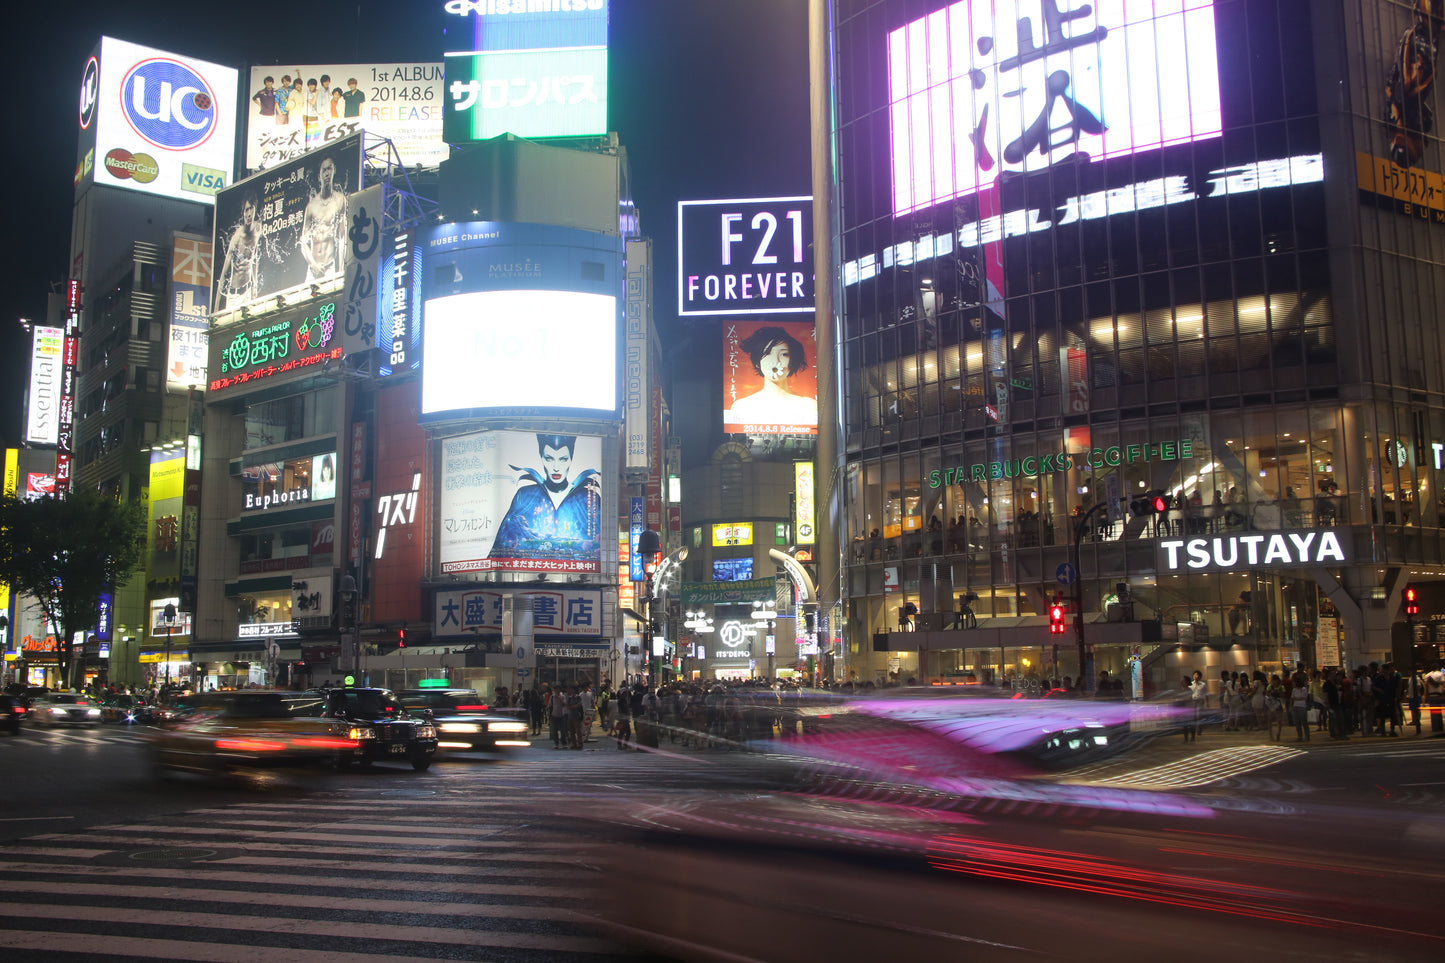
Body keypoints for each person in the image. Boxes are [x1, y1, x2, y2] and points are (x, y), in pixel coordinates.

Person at [490, 434, 602, 563]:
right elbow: (501, 547)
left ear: (571, 459)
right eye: (549, 458)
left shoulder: (587, 497)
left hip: (579, 574)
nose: (556, 467)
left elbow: (599, 546)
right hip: (526, 574)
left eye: (563, 459)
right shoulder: (525, 495)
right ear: (541, 457)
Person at [723, 326, 817, 427]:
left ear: (792, 361)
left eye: (784, 354)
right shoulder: (741, 407)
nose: (776, 361)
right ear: (757, 363)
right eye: (767, 353)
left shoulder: (809, 406)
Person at [301, 155, 348, 284]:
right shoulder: (311, 206)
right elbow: (303, 242)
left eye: (329, 169)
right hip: (313, 268)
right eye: (324, 170)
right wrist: (314, 264)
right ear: (319, 175)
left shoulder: (340, 200)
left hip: (330, 266)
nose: (327, 174)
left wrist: (340, 268)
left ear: (334, 171)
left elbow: (342, 236)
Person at [217, 195, 262, 311]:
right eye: (246, 209)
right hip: (234, 295)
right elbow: (223, 274)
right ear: (242, 212)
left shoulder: (258, 229)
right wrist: (216, 309)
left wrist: (255, 287)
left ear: (255, 208)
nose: (249, 214)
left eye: (251, 208)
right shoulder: (237, 237)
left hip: (248, 291)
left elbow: (254, 259)